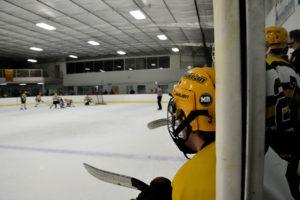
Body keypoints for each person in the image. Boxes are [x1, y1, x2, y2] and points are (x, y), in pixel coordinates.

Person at [135, 67, 294, 200]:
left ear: (192, 118)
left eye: (178, 112)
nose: (176, 118)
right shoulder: (261, 148)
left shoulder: (191, 180)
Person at [265, 26, 300, 199]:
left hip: (268, 140)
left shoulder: (263, 69)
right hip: (289, 137)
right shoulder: (292, 71)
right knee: (289, 183)